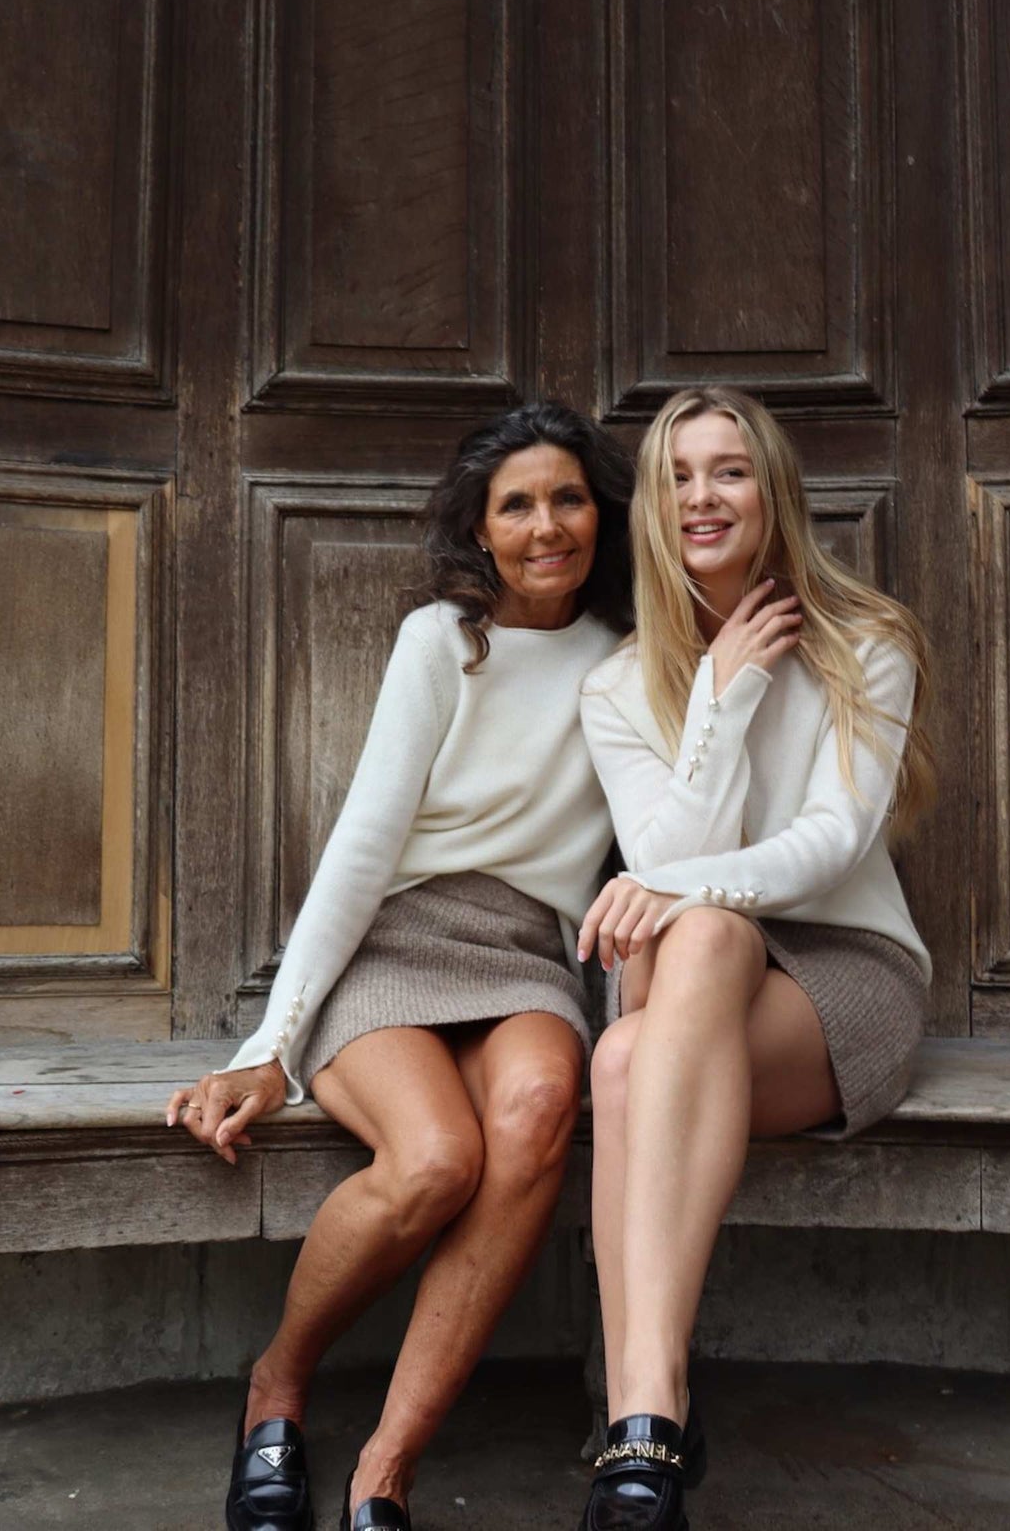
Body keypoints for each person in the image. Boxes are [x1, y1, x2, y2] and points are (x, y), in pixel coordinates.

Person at [167, 402, 633, 1531]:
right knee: (434, 1161)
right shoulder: (443, 641)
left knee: (538, 1106)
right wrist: (272, 1045)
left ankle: (386, 1467)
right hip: (399, 941)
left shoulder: (631, 658)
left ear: (601, 514)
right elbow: (364, 847)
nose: (546, 526)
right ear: (479, 528)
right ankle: (277, 1386)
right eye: (516, 505)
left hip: (526, 953)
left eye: (567, 498)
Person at [573, 385, 935, 1531]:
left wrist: (682, 893)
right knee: (683, 969)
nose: (703, 497)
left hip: (844, 973)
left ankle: (637, 1416)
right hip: (695, 969)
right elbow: (666, 858)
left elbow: (832, 845)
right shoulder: (617, 686)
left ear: (771, 490)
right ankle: (652, 1417)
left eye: (728, 470)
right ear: (651, 507)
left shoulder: (866, 645)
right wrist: (721, 700)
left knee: (628, 1053)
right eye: (677, 477)